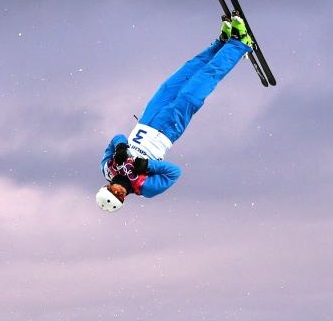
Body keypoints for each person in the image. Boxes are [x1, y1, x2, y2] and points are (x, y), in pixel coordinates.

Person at [96, 16, 253, 212]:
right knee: (199, 83)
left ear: (106, 187)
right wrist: (148, 166)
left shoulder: (107, 168)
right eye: (119, 197)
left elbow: (114, 140)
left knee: (181, 76)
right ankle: (239, 44)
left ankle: (221, 44)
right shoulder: (145, 188)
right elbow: (173, 173)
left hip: (147, 119)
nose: (119, 191)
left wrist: (120, 145)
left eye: (113, 191)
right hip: (168, 129)